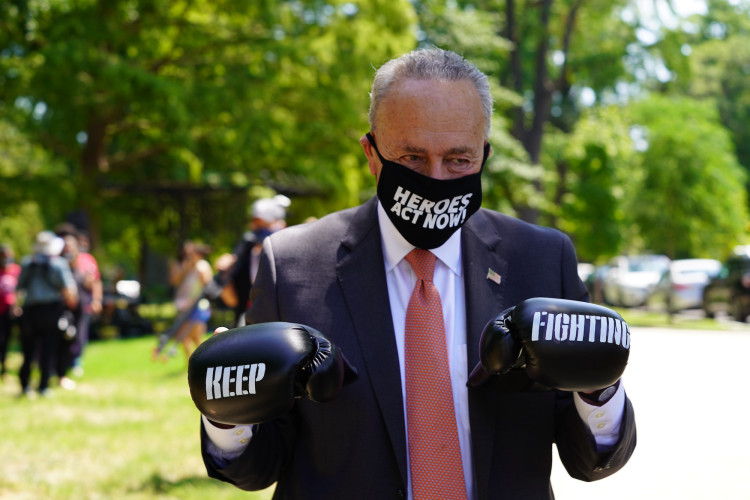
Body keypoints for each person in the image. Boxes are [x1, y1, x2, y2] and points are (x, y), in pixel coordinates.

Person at [197, 48, 636, 499]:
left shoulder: (542, 258)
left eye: (459, 160)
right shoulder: (294, 265)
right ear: (371, 154)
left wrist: (599, 389)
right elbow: (258, 466)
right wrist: (226, 415)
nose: (436, 179)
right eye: (411, 157)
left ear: (484, 155)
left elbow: (590, 461)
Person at [16, 231, 78, 397]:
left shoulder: (28, 263)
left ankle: (25, 385)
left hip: (30, 311)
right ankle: (43, 386)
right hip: (51, 311)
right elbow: (68, 289)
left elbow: (19, 287)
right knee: (48, 349)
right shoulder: (58, 264)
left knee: (28, 350)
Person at [218, 195, 290, 325]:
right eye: (257, 223)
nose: (259, 228)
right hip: (249, 324)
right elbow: (232, 301)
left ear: (281, 225)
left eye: (265, 224)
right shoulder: (245, 255)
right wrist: (224, 275)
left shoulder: (291, 257)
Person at [55, 224, 103, 379]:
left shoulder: (87, 260)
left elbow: (95, 281)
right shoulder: (57, 261)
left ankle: (75, 363)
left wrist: (96, 300)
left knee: (80, 335)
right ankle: (59, 366)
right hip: (62, 305)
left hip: (82, 304)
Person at [166, 241, 213, 360]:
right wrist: (185, 269)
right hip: (183, 306)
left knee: (196, 337)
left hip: (197, 307)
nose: (189, 256)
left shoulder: (202, 266)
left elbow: (208, 284)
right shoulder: (184, 266)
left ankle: (204, 360)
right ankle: (190, 362)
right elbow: (174, 281)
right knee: (183, 337)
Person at [0, 244, 21, 381]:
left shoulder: (16, 270)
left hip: (12, 310)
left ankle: (5, 368)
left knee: (8, 339)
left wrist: (17, 305)